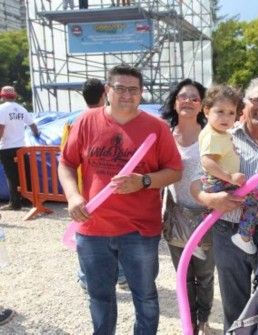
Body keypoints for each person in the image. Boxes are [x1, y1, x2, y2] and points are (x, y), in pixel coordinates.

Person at [58, 64, 182, 334]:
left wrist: (144, 181)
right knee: (99, 297)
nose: (127, 94)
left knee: (145, 296)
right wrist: (73, 196)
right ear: (107, 90)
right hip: (93, 228)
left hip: (139, 230)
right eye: (120, 88)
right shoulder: (86, 121)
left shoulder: (156, 128)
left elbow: (174, 171)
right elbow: (66, 163)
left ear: (141, 93)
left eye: (133, 89)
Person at [191, 78, 258, 331]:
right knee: (234, 305)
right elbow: (195, 180)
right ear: (244, 105)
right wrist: (209, 199)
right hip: (228, 232)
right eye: (256, 100)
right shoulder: (223, 136)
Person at [161, 78, 215, 335]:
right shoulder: (164, 135)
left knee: (204, 276)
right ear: (174, 102)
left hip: (206, 217)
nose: (188, 102)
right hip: (176, 217)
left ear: (203, 105)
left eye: (195, 98)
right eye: (183, 96)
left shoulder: (211, 136)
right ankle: (189, 323)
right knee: (183, 275)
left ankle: (203, 320)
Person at [67, 78, 128, 292]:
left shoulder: (74, 121)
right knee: (114, 234)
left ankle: (86, 278)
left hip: (85, 192)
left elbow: (66, 160)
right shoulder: (108, 122)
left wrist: (72, 194)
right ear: (105, 93)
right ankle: (120, 275)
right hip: (104, 192)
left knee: (85, 236)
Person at [199, 85, 258, 255]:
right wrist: (230, 177)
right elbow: (207, 161)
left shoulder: (222, 133)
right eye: (220, 111)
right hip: (219, 181)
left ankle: (199, 240)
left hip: (218, 180)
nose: (225, 117)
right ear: (206, 111)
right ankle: (244, 235)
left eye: (231, 113)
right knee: (256, 198)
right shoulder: (212, 135)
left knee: (211, 211)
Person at [0, 86, 40, 211]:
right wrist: (37, 136)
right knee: (25, 173)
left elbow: (1, 128)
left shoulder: (2, 109)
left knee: (11, 175)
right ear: (14, 96)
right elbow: (33, 125)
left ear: (3, 96)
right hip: (22, 147)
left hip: (7, 147)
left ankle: (15, 203)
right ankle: (28, 200)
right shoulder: (21, 109)